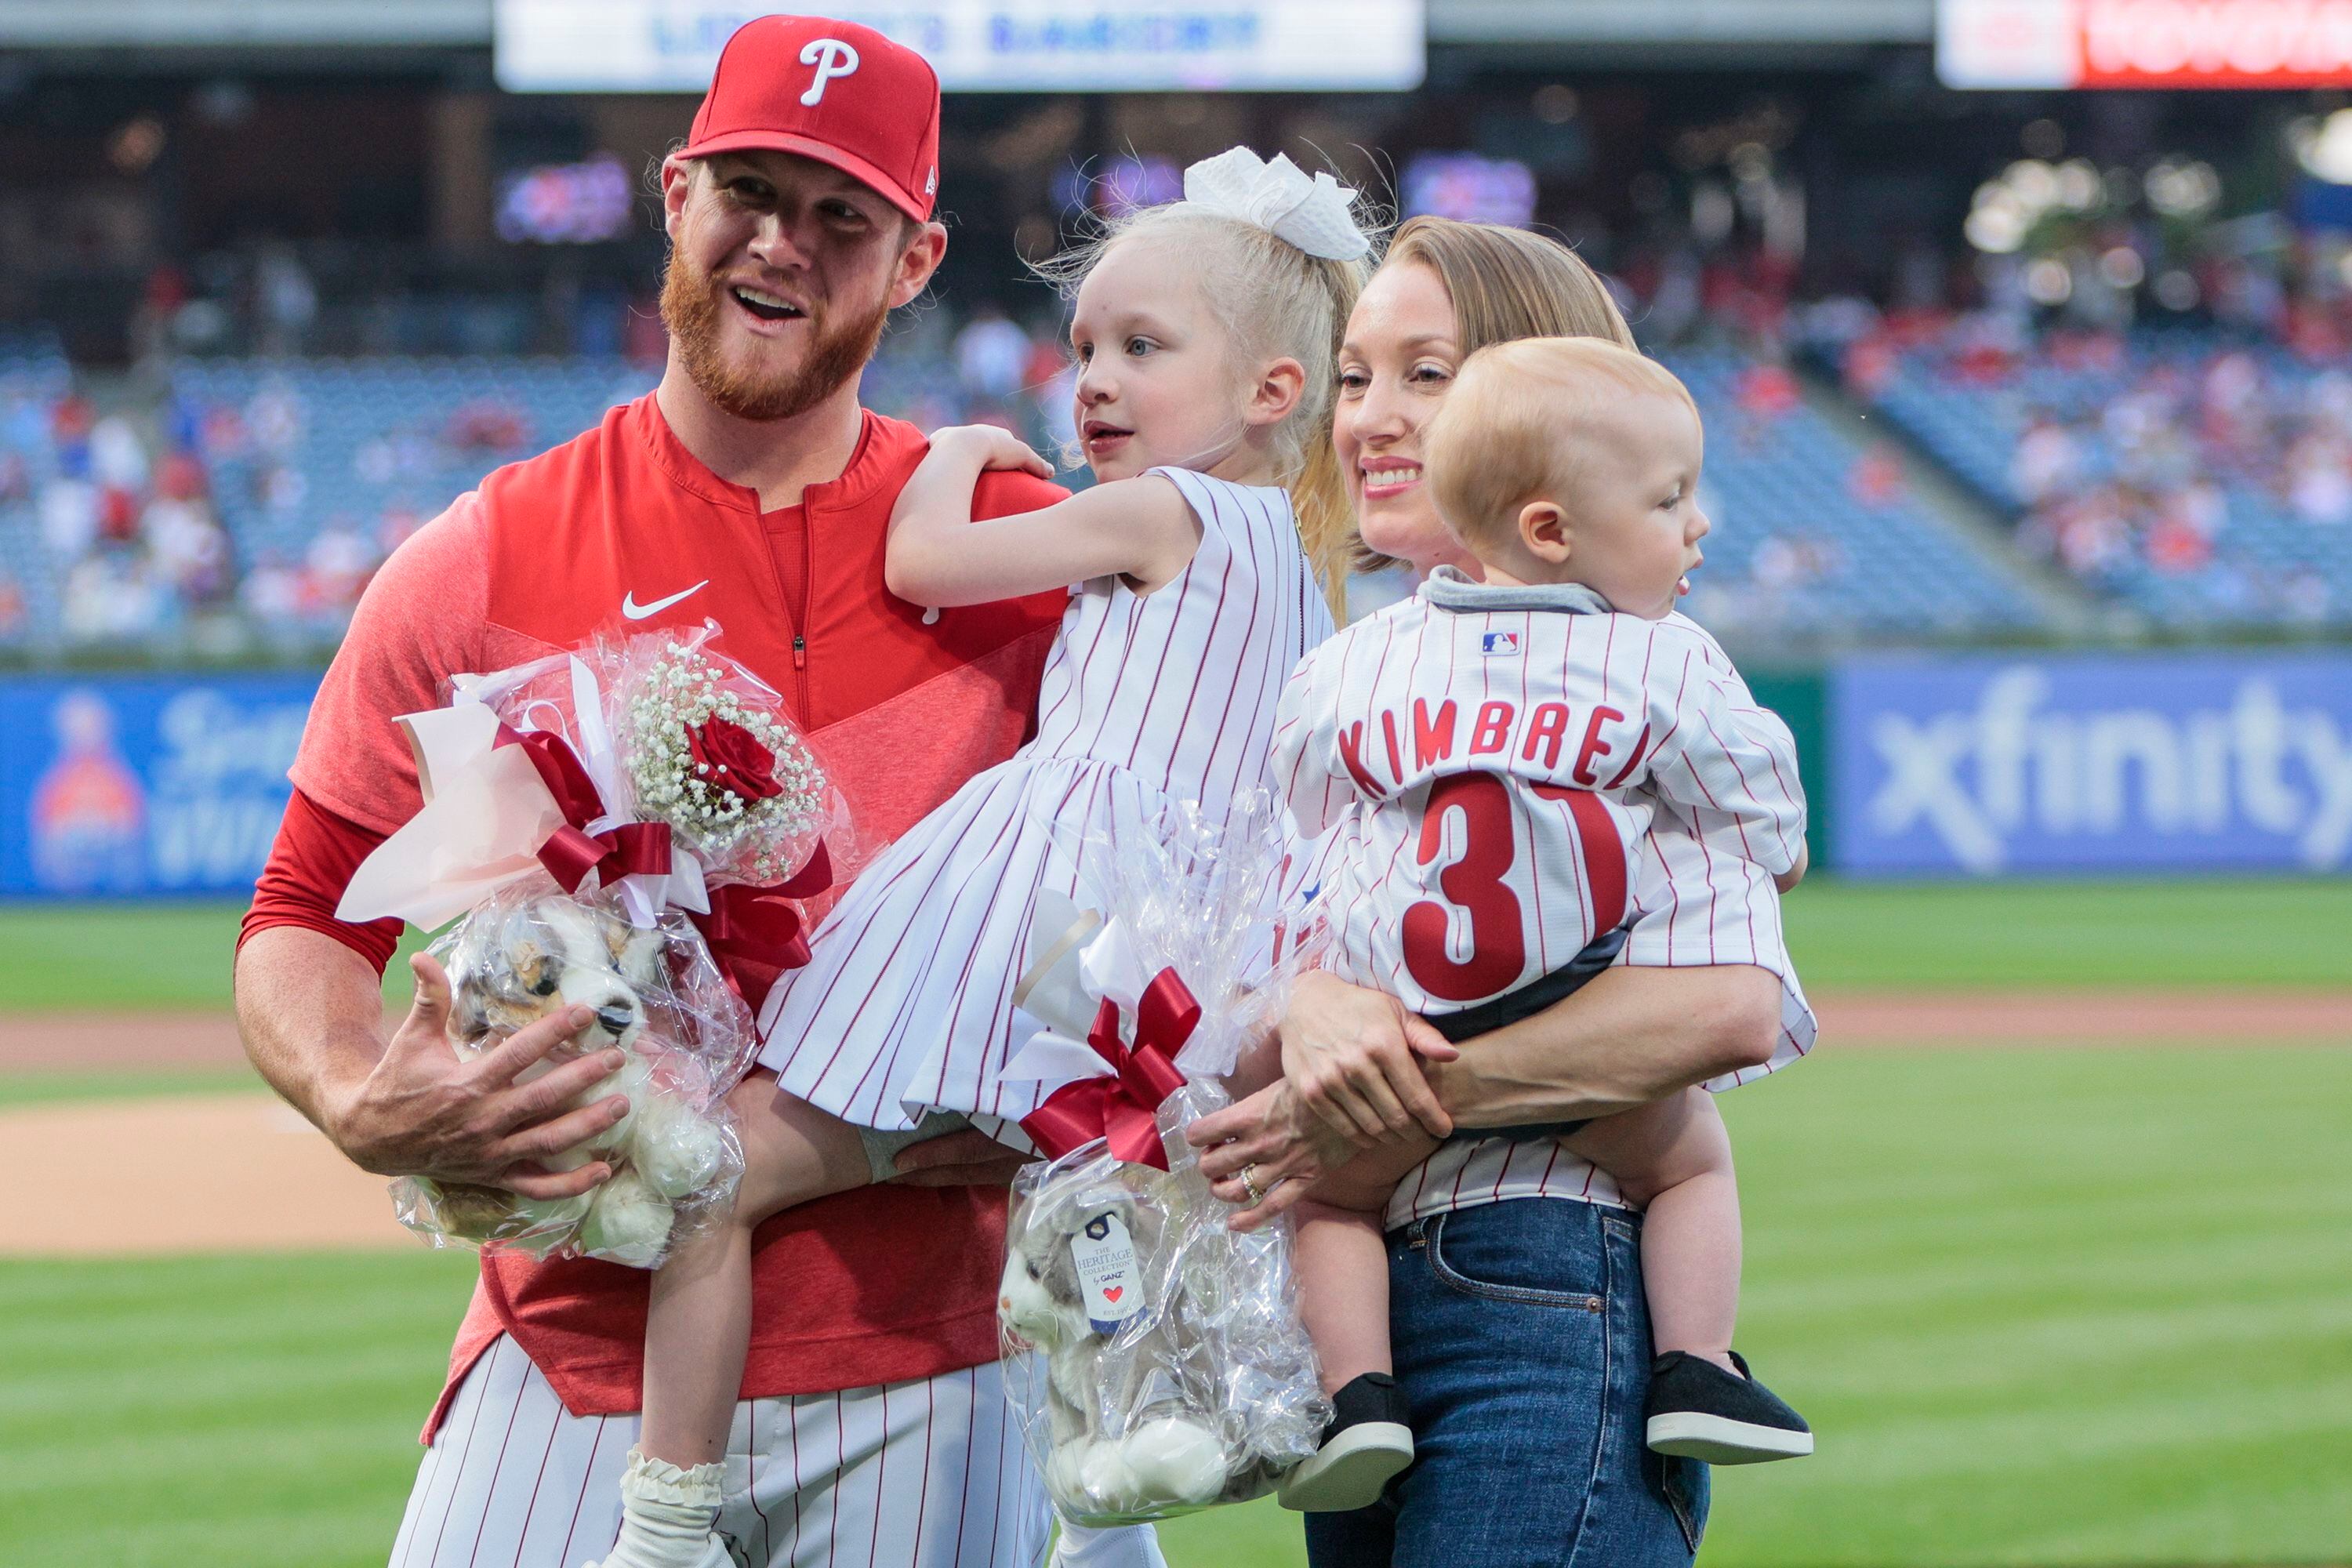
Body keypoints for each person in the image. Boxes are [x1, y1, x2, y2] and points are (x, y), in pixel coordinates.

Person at [233, 17, 1160, 1567]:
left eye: (842, 216)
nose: (782, 243)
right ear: (676, 195)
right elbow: (303, 912)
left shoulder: (1030, 552)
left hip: (934, 1355)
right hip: (573, 1345)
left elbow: (1177, 886)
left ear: (917, 261)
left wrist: (1068, 1083)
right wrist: (350, 1089)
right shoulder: (485, 555)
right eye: (749, 191)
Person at [608, 146, 1370, 1568]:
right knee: (1084, 1207)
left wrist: (954, 453)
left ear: (1274, 391)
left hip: (1051, 925)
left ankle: (666, 1522)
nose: (1094, 382)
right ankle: (1108, 1515)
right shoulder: (1307, 575)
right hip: (1181, 959)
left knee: (718, 1173)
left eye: (1143, 348)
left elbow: (922, 565)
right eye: (1084, 348)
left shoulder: (1170, 508)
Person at [1184, 216, 1818, 1568]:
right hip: (1368, 1305)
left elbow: (1727, 1007)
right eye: (1355, 375)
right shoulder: (1356, 670)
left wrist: (1379, 1101)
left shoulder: (1649, 665)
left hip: (1548, 1271)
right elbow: (1239, 1012)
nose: (1373, 417)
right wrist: (1304, 1004)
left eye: (1430, 373)